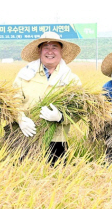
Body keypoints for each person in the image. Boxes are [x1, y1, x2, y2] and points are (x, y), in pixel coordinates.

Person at [13, 31, 82, 163]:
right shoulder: (24, 75)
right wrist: (20, 119)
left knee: (56, 179)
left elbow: (79, 110)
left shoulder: (71, 79)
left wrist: (61, 117)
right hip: (27, 136)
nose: (50, 52)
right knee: (24, 177)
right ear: (39, 51)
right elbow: (12, 102)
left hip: (57, 140)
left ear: (61, 51)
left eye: (54, 47)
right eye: (46, 47)